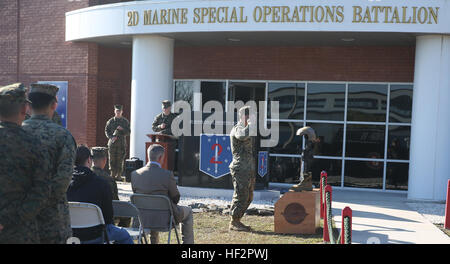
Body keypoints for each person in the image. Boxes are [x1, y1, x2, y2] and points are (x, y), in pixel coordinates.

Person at [22, 83, 76, 244]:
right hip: (53, 220)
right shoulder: (63, 136)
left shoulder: (15, 133)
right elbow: (62, 182)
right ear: (54, 104)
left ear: (28, 105)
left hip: (21, 219)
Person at [0, 83, 51, 243]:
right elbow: (42, 191)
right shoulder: (34, 145)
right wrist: (12, 219)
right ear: (24, 109)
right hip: (21, 231)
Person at [67, 145, 133, 244]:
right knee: (124, 236)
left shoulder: (63, 184)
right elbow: (108, 218)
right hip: (96, 235)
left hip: (70, 234)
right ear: (89, 160)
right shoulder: (102, 184)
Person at [131, 144, 194, 244]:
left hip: (142, 219)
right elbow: (175, 197)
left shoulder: (135, 174)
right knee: (189, 212)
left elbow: (137, 195)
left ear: (148, 156)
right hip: (164, 219)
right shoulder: (167, 175)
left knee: (152, 207)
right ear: (161, 158)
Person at [229, 106, 256, 232]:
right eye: (249, 115)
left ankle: (237, 219)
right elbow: (242, 136)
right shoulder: (238, 128)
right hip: (240, 168)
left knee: (249, 196)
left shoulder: (248, 128)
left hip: (248, 168)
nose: (252, 118)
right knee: (240, 195)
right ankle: (234, 221)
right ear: (243, 116)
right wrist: (250, 125)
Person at [91, 147, 131, 227]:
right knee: (127, 213)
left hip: (87, 215)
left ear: (90, 160)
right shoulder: (108, 179)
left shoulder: (84, 175)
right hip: (104, 217)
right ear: (105, 160)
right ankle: (117, 236)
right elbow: (115, 202)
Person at [105, 104, 130, 181]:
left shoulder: (125, 121)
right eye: (117, 111)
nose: (118, 112)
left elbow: (128, 132)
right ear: (114, 111)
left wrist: (122, 129)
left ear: (122, 112)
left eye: (119, 111)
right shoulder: (111, 121)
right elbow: (106, 131)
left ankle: (119, 175)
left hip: (121, 144)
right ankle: (112, 174)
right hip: (112, 143)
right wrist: (111, 137)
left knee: (120, 159)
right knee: (112, 159)